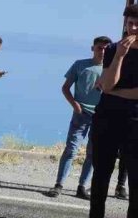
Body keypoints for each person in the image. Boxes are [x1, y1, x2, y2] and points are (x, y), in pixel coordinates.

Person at [78, 5, 138, 218]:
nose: (132, 28)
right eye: (129, 23)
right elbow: (106, 84)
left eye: (136, 24)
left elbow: (115, 89)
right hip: (107, 116)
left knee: (136, 177)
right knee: (101, 171)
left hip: (135, 120)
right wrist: (120, 57)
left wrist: (116, 91)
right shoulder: (113, 48)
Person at [44, 37, 113, 199]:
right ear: (93, 48)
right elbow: (65, 88)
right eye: (99, 48)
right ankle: (59, 184)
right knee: (71, 149)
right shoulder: (80, 65)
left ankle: (82, 187)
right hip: (81, 114)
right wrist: (75, 105)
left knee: (93, 152)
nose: (102, 51)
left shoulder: (111, 68)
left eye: (105, 48)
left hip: (100, 115)